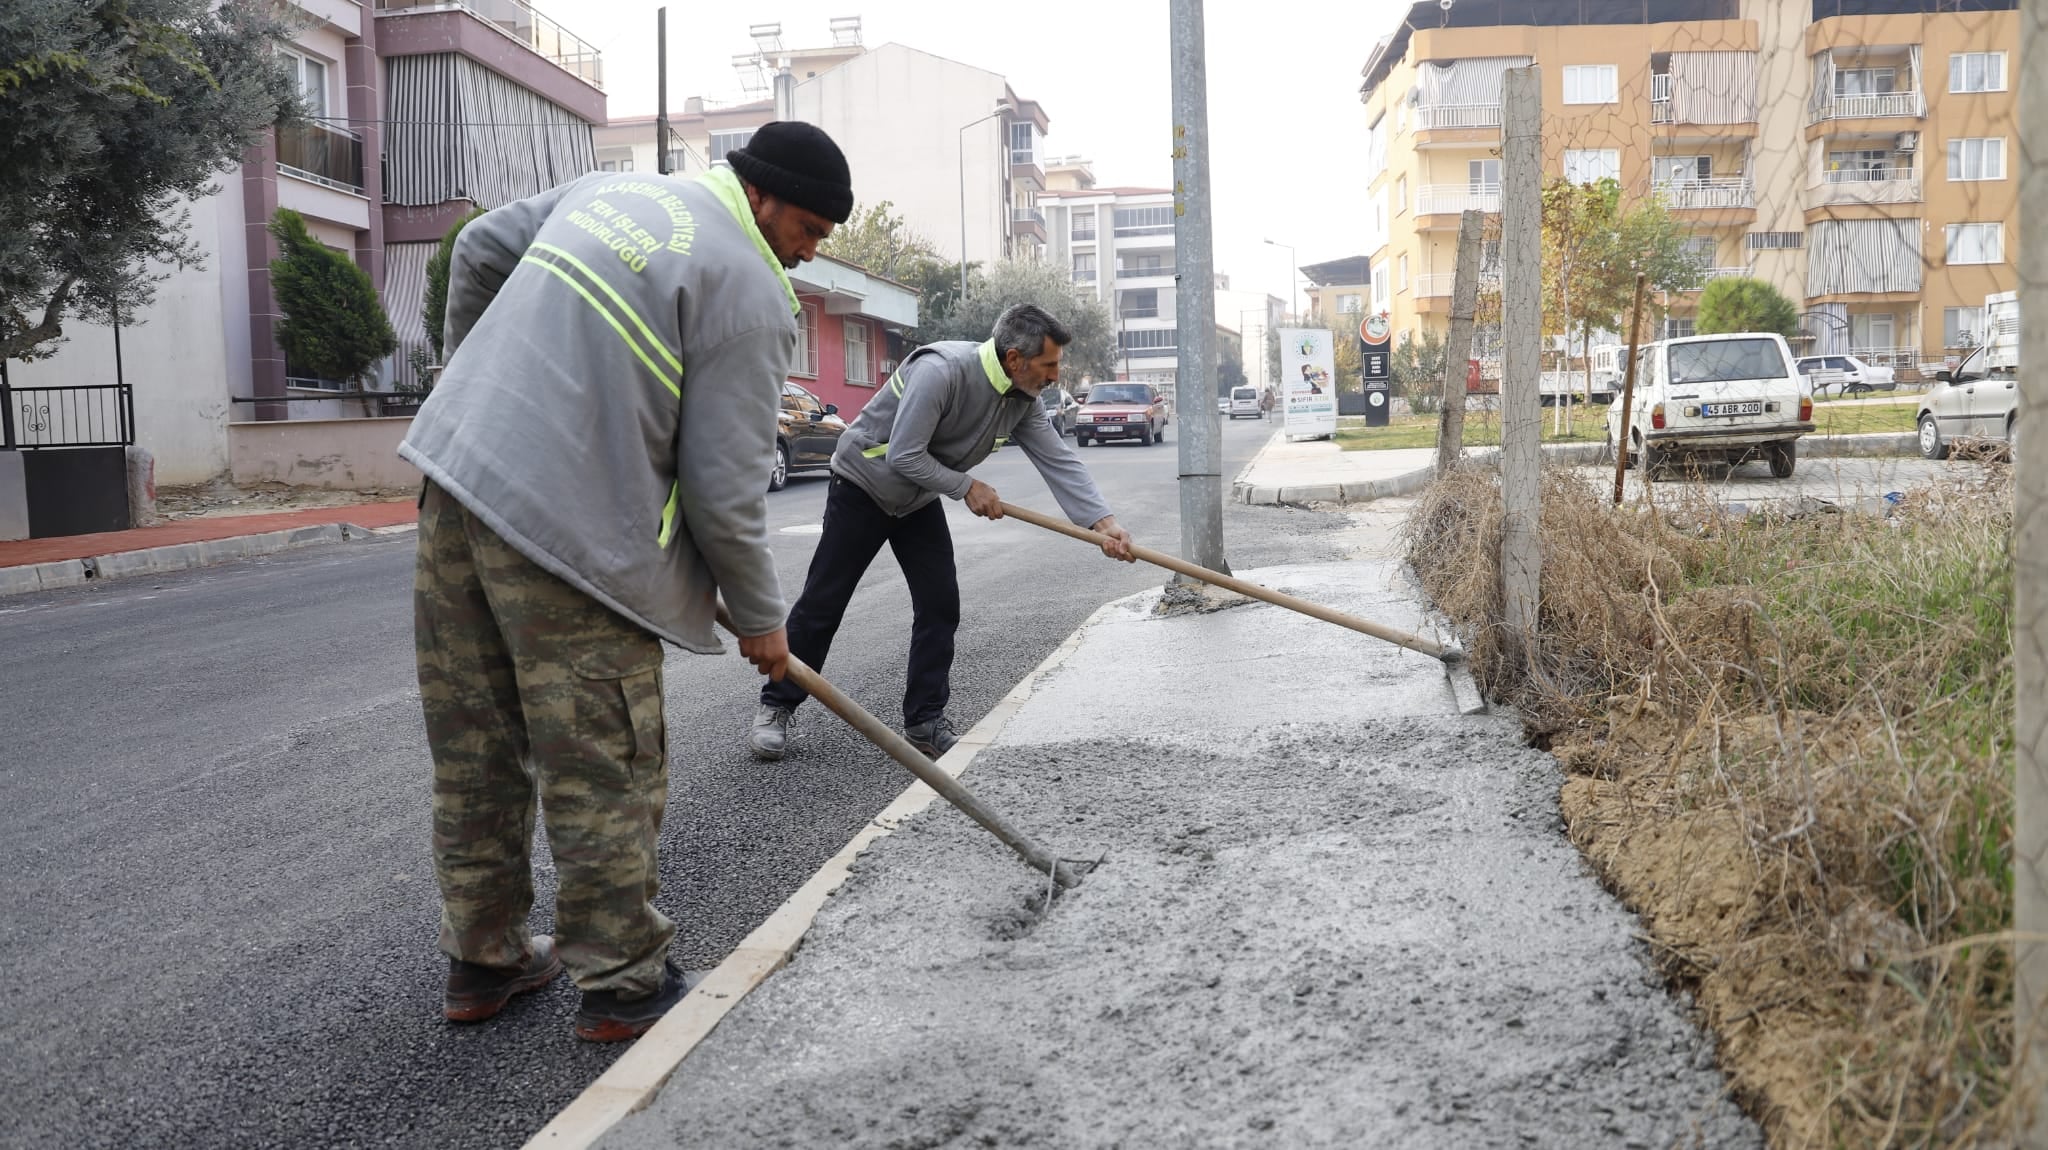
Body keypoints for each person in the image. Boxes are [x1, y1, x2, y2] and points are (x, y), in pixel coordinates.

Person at [400, 122, 853, 1042]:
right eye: (807, 226)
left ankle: (480, 962)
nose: (809, 251)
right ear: (759, 196)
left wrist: (474, 380)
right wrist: (766, 624)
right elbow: (725, 492)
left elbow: (481, 248)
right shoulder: (750, 291)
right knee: (602, 756)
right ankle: (623, 985)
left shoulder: (611, 190)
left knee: (477, 744)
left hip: (456, 481)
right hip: (574, 532)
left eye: (821, 238)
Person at [750, 305, 1136, 761]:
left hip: (916, 500)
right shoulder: (941, 372)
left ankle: (924, 721)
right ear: (1015, 359)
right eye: (1049, 365)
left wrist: (1103, 524)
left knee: (939, 605)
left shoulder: (1021, 401)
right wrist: (966, 486)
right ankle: (776, 706)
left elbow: (1059, 461)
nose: (1056, 375)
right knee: (823, 602)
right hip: (863, 485)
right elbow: (904, 456)